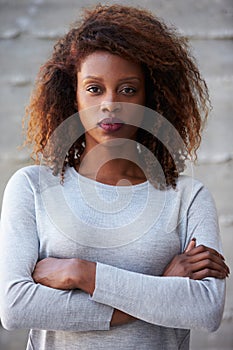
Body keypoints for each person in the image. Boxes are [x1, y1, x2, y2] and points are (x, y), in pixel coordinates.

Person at [0, 4, 230, 350]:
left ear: (150, 98)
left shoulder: (187, 197)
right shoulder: (33, 187)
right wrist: (161, 286)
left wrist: (82, 273)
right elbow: (16, 307)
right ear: (72, 97)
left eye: (128, 89)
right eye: (94, 89)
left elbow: (205, 308)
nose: (110, 104)